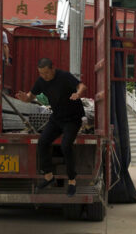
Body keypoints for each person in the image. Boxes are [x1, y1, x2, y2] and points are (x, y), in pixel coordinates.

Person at [15, 58, 87, 197]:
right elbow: (31, 96)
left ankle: (72, 181)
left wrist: (78, 94)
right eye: (41, 73)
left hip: (73, 119)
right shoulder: (41, 81)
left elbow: (82, 86)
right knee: (42, 142)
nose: (44, 76)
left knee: (66, 145)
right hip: (57, 118)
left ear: (53, 68)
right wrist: (25, 98)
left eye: (46, 73)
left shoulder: (64, 76)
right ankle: (49, 177)